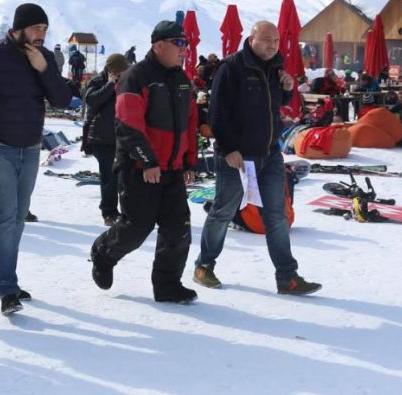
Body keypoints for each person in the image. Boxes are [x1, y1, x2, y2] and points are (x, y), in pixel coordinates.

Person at [0, 3, 71, 315]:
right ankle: (7, 287)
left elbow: (62, 99)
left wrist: (44, 70)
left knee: (18, 218)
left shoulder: (44, 58)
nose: (41, 35)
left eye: (45, 29)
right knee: (5, 217)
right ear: (16, 30)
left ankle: (2, 278)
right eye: (35, 28)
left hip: (31, 148)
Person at [192, 21, 321, 296]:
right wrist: (228, 149)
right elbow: (216, 114)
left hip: (270, 154)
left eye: (275, 40)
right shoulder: (231, 68)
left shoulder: (275, 67)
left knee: (276, 216)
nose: (272, 45)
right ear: (251, 39)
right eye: (266, 40)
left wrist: (287, 88)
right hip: (236, 156)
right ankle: (204, 265)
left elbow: (275, 105)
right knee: (224, 212)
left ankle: (287, 277)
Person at [90, 21, 200, 304]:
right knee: (136, 228)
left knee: (178, 230)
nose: (184, 50)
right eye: (179, 43)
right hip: (139, 168)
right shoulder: (135, 77)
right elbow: (127, 124)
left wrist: (189, 161)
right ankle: (103, 252)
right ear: (158, 45)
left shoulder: (182, 79)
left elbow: (190, 123)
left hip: (172, 169)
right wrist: (147, 160)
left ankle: (167, 286)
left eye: (185, 44)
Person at [82, 53, 130, 226]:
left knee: (126, 177)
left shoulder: (128, 81)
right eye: (118, 72)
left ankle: (127, 211)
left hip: (123, 137)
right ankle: (108, 212)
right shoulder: (98, 81)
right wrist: (110, 85)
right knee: (109, 178)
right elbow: (91, 100)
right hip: (102, 139)